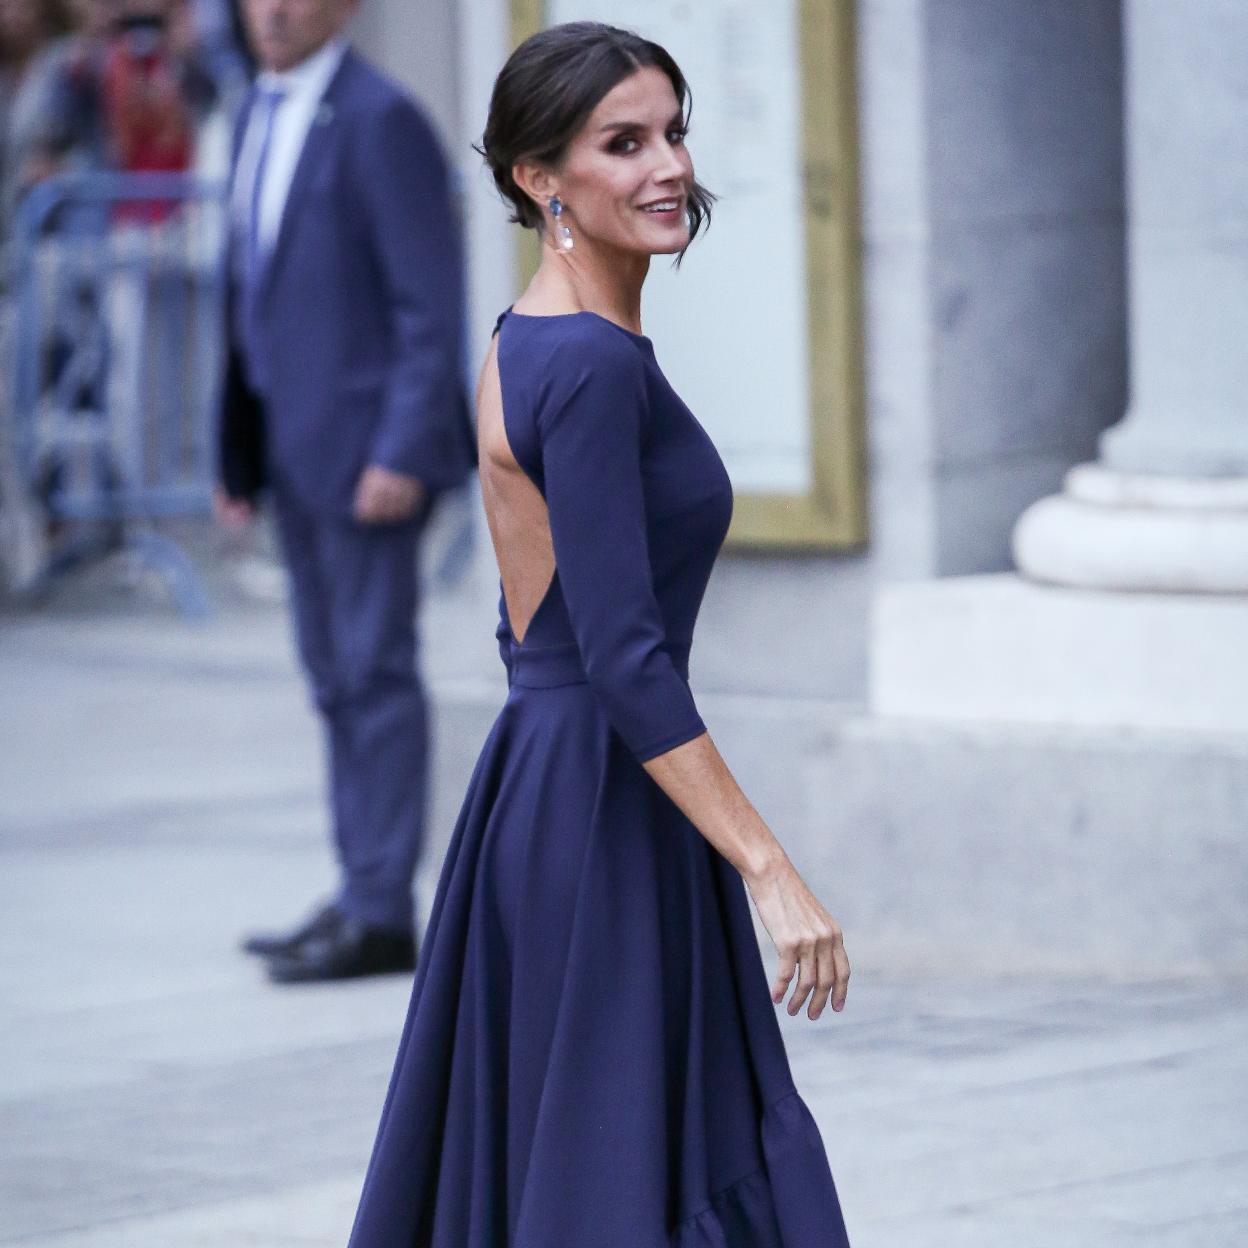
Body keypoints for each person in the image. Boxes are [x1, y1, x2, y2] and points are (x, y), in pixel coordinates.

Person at [347, 20, 852, 1247]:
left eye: (673, 131)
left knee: (602, 1154)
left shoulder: (532, 338)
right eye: (621, 143)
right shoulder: (591, 366)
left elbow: (544, 625)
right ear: (540, 177)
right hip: (603, 799)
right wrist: (769, 868)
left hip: (560, 783)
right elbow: (622, 654)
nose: (667, 165)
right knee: (626, 1172)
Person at [215, 0, 475, 983]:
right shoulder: (255, 111)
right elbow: (250, 296)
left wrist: (403, 449)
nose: (271, 11)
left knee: (374, 672)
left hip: (368, 456)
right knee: (332, 677)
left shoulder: (381, 119)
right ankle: (358, 884)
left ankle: (381, 909)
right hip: (292, 450)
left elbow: (426, 302)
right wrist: (235, 452)